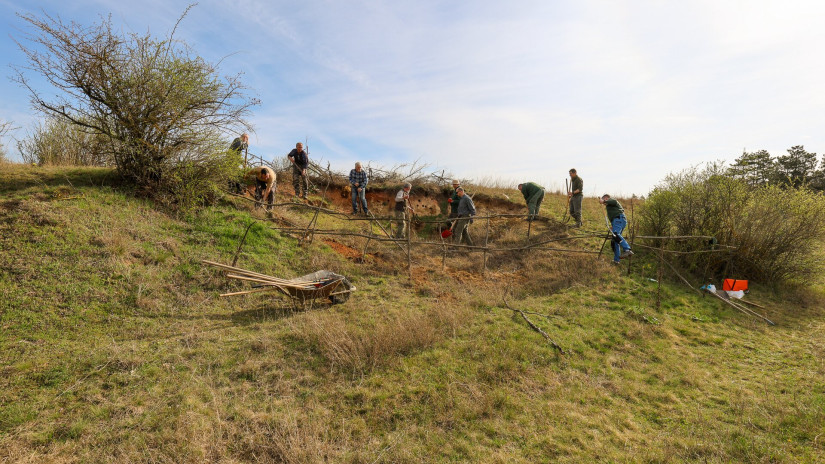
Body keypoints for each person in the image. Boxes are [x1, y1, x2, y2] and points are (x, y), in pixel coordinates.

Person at [599, 194, 634, 264]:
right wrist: (613, 225)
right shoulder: (609, 206)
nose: (604, 204)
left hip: (619, 219)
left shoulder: (612, 200)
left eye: (604, 200)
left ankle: (627, 249)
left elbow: (614, 202)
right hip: (617, 221)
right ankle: (616, 260)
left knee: (615, 235)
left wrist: (603, 201)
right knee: (615, 240)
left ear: (606, 198)